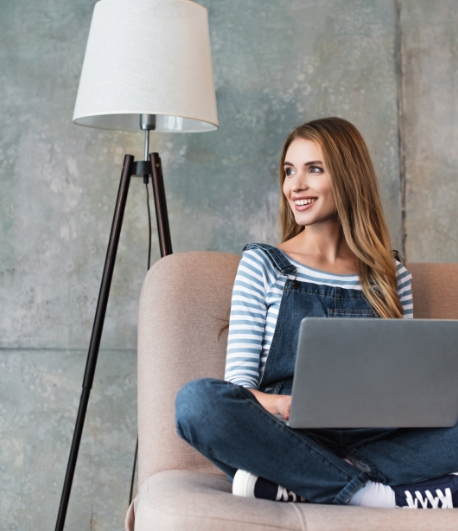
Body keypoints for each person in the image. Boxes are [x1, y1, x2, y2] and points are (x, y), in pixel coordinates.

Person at [175, 117, 458, 509]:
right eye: (290, 171)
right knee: (197, 403)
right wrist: (283, 405)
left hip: (377, 440)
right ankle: (374, 495)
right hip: (291, 434)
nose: (296, 185)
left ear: (348, 177)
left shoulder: (392, 275)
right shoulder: (263, 265)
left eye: (314, 169)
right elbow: (238, 389)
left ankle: (303, 484)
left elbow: (402, 391)